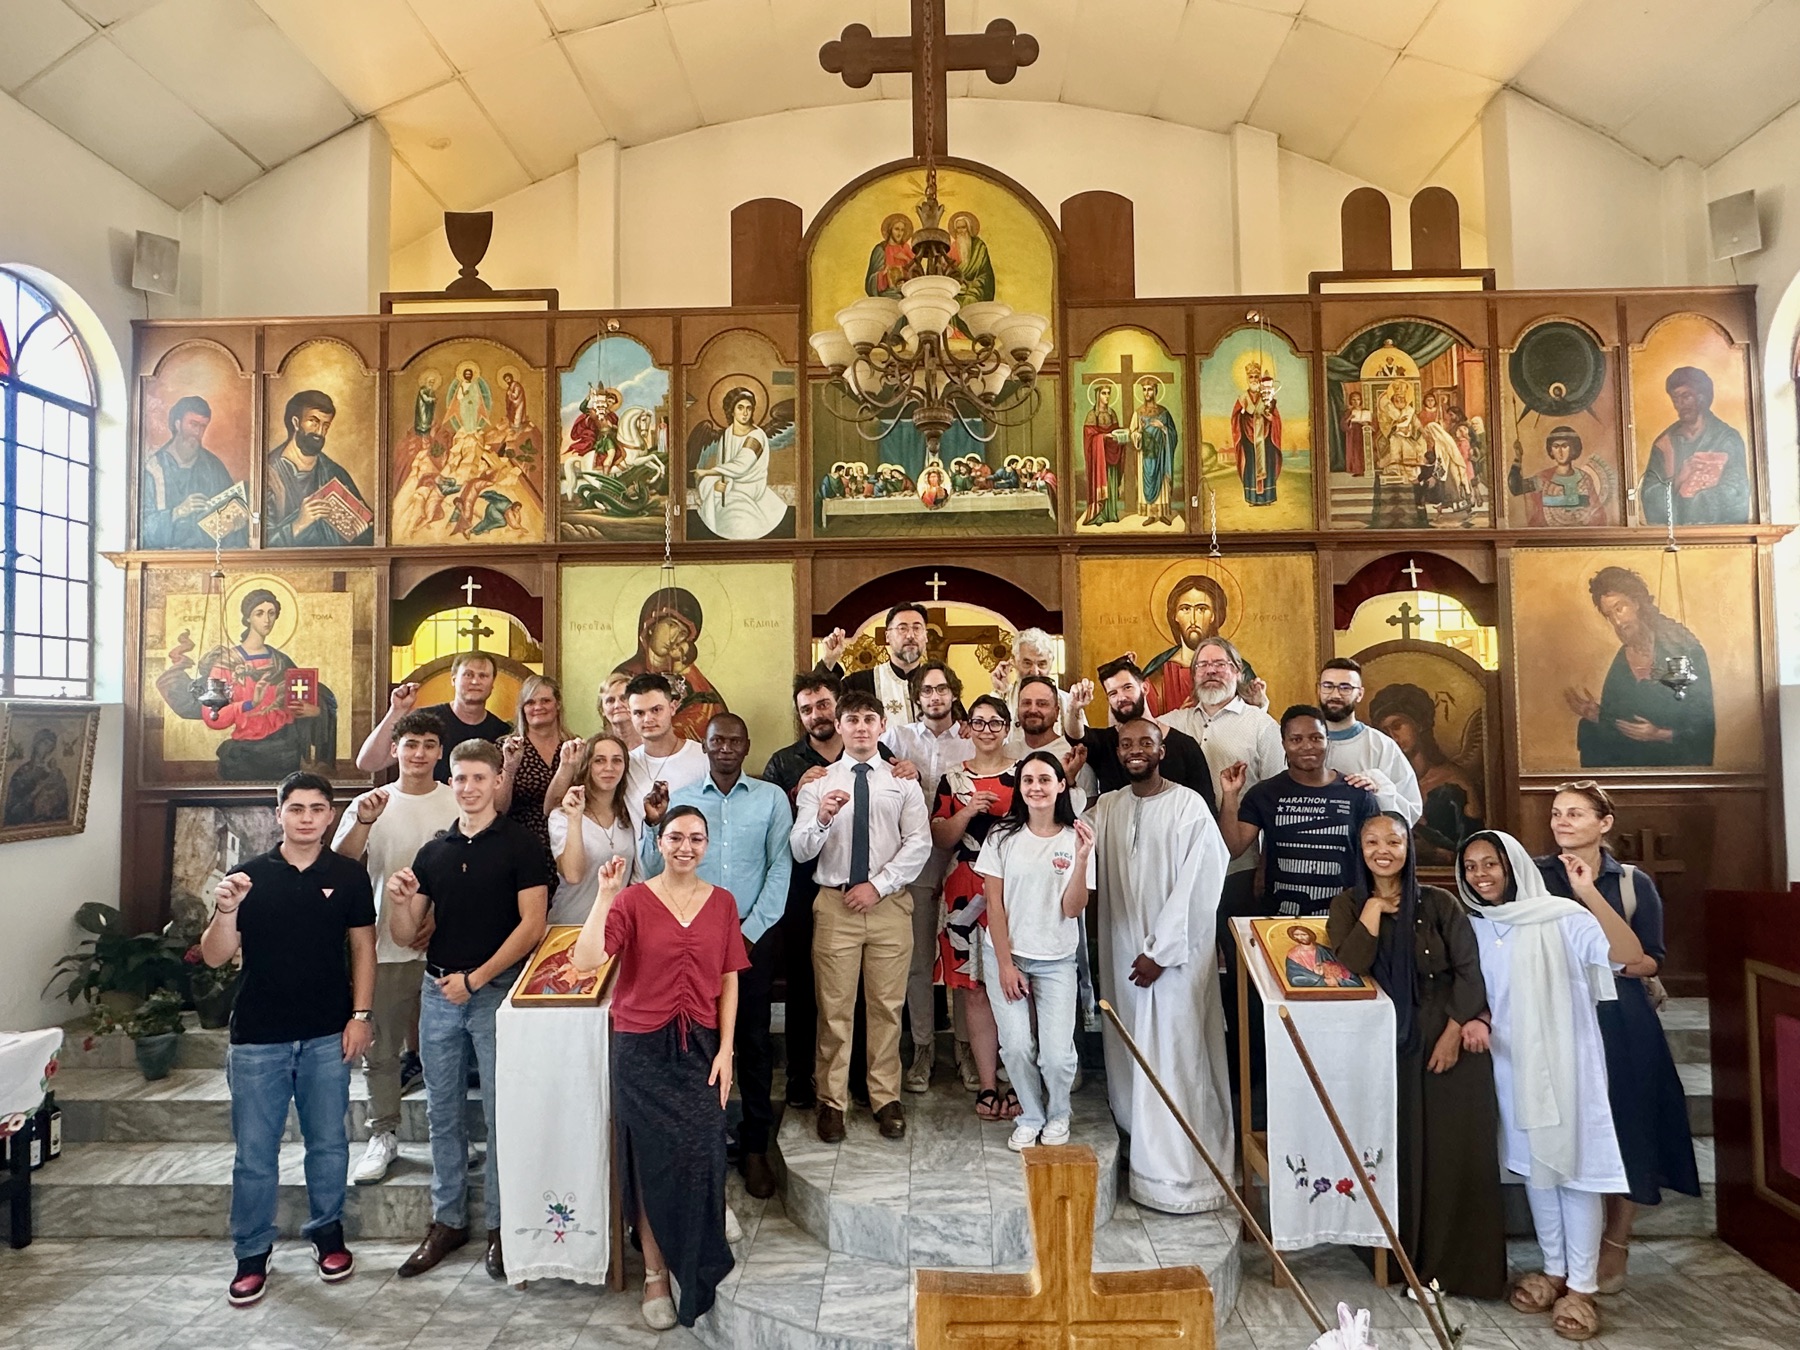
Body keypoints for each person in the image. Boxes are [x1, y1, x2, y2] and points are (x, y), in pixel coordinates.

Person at [200, 772, 375, 1307]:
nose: (306, 818)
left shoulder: (347, 875)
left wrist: (361, 1014)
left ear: (329, 816)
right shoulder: (247, 876)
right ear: (279, 814)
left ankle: (327, 1234)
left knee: (328, 1142)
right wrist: (226, 909)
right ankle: (251, 1253)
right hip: (258, 1037)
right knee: (255, 1154)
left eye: (317, 809)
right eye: (295, 808)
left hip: (326, 1033)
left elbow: (364, 949)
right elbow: (213, 954)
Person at [1458, 830, 1640, 1343]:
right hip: (1512, 1065)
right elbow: (1484, 993)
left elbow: (1630, 957)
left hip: (1566, 1064)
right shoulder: (1479, 926)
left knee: (1574, 1169)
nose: (1481, 875)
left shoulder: (1562, 916)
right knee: (1539, 1170)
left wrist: (1588, 894)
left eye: (1490, 863)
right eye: (1470, 867)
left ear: (1512, 866)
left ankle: (1582, 1287)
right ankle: (1555, 1269)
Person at [571, 812, 746, 1330]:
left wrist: (727, 1050)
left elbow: (730, 979)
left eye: (695, 838)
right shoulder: (632, 900)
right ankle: (653, 1272)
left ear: (707, 845)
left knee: (705, 1145)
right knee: (651, 1162)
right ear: (659, 842)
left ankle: (699, 1244)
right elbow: (584, 962)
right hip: (642, 1048)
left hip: (702, 1046)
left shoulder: (723, 903)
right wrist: (604, 895)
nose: (685, 847)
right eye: (676, 837)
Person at [387, 739, 550, 1283]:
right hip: (437, 993)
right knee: (444, 1112)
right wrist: (400, 900)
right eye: (460, 778)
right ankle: (449, 1218)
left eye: (480, 777)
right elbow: (408, 936)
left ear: (495, 782)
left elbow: (533, 926)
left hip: (495, 990)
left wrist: (476, 979)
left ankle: (501, 1227)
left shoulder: (521, 845)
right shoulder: (433, 852)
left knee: (502, 1113)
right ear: (449, 780)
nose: (470, 787)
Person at [1325, 813, 1506, 1299]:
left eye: (1394, 841)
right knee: (1397, 1148)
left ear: (1410, 847)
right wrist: (1374, 912)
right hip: (1383, 1041)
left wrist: (1452, 1033)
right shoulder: (1346, 905)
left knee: (1450, 1155)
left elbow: (1470, 972)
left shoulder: (1441, 902)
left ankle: (1453, 1270)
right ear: (1358, 847)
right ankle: (1401, 1260)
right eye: (1371, 841)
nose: (1383, 850)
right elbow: (1350, 966)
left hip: (1445, 1036)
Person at [1534, 781, 1699, 1294]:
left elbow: (1647, 959)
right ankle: (1564, 1251)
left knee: (1628, 1118)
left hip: (1619, 1014)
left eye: (1576, 813)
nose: (1562, 822)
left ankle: (1616, 1237)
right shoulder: (1535, 876)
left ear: (1604, 823)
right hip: (1554, 1006)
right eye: (1557, 813)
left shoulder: (1631, 883)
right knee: (1574, 1122)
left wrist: (1588, 897)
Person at [638, 714, 791, 1200]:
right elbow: (654, 865)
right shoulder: (682, 798)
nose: (725, 747)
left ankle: (755, 1147)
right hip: (691, 939)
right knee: (698, 1041)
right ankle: (704, 1141)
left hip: (752, 938)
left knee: (752, 1040)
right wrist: (651, 825)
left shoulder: (770, 798)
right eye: (716, 740)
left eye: (733, 740)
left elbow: (779, 868)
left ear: (746, 745)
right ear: (703, 747)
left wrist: (747, 934)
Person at [1089, 719, 1232, 1213]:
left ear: (1162, 749)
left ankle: (1187, 1178)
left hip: (1173, 961)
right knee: (1131, 1053)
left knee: (1177, 1054)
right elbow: (1061, 837)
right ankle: (1143, 1161)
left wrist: (1161, 952)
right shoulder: (1107, 806)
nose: (1134, 751)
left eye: (1144, 743)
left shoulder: (1189, 806)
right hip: (1122, 953)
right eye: (1125, 744)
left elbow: (1200, 885)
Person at [1218, 705, 1379, 1108]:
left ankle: (1339, 1101)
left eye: (1316, 737)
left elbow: (1376, 859)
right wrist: (1231, 796)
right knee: (1286, 1020)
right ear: (1284, 745)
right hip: (1281, 931)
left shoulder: (1357, 794)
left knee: (1335, 1022)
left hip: (1341, 929)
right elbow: (1235, 845)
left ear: (1327, 740)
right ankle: (1285, 1102)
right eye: (1297, 739)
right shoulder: (1265, 794)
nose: (1307, 746)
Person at [791, 689, 932, 1142]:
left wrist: (880, 885)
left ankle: (885, 1097)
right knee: (834, 1009)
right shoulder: (817, 782)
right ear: (841, 723)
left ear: (881, 723)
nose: (861, 727)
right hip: (835, 904)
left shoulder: (902, 781)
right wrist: (824, 818)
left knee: (887, 1008)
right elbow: (800, 848)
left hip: (889, 905)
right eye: (852, 719)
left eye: (869, 718)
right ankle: (832, 1101)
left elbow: (919, 843)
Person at [332, 713, 460, 1186]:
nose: (420, 753)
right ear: (395, 749)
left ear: (440, 752)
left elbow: (468, 871)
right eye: (411, 744)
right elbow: (342, 862)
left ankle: (446, 1138)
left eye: (429, 744)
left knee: (441, 1049)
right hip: (384, 943)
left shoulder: (455, 800)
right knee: (381, 1048)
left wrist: (436, 917)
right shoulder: (373, 802)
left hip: (445, 942)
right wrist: (363, 822)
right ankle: (382, 1134)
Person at [979, 751, 1095, 1151]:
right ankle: (1030, 1114)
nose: (1036, 787)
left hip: (1057, 958)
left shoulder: (1075, 837)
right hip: (1005, 955)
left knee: (1057, 1056)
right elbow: (994, 904)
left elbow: (1073, 908)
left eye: (1045, 779)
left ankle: (1059, 1113)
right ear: (1020, 788)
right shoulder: (1002, 837)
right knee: (1014, 1045)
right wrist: (1007, 964)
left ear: (1061, 785)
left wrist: (1080, 862)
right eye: (1028, 780)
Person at [882, 661, 972, 1093]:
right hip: (913, 860)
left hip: (963, 862)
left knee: (963, 956)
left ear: (954, 694)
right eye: (927, 691)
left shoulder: (973, 738)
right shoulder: (897, 739)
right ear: (917, 698)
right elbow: (860, 760)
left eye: (942, 690)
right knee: (918, 960)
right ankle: (921, 1048)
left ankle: (966, 1047)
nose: (935, 697)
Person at [931, 695, 1021, 1122]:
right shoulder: (952, 779)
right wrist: (967, 809)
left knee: (1021, 985)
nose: (987, 730)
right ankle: (988, 1083)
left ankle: (1021, 1081)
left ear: (1008, 727)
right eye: (979, 722)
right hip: (964, 889)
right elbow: (942, 837)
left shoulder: (1026, 774)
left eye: (996, 722)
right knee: (976, 989)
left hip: (1015, 891)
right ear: (967, 727)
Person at [154, 587, 338, 782]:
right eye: (259, 613)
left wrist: (315, 711)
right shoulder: (227, 663)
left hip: (286, 755)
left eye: (271, 613)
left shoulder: (281, 661)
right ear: (248, 617)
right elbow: (214, 717)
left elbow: (307, 698)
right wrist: (249, 705)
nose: (267, 620)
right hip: (245, 756)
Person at [1564, 566, 1714, 768]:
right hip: (1630, 769)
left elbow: (1703, 727)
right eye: (1609, 615)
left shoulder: (1682, 648)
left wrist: (1659, 734)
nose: (1617, 621)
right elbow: (1621, 719)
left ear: (1637, 602)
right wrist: (1598, 715)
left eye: (1620, 608)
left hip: (1672, 767)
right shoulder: (1622, 660)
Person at [1062, 658, 1218, 811]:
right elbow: (1076, 736)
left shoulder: (1185, 746)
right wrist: (1074, 707)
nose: (1121, 697)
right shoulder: (1105, 744)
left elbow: (1205, 807)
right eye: (1113, 693)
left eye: (1127, 687)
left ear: (1145, 688)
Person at [1366, 681, 1484, 863]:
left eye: (1397, 726)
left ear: (1419, 724)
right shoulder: (1380, 782)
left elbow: (1472, 852)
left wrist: (1432, 852)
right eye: (1384, 731)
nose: (1392, 736)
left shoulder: (1455, 785)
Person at [355, 651, 511, 784]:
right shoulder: (425, 720)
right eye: (468, 674)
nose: (475, 681)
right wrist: (396, 711)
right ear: (454, 680)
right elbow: (368, 763)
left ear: (492, 684)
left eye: (483, 676)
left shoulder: (502, 732)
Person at [1637, 365, 1751, 525]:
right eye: (1675, 399)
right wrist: (1679, 479)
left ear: (1702, 397)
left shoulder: (1727, 439)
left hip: (1719, 537)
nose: (1679, 404)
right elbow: (1649, 496)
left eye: (1686, 396)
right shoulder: (1665, 444)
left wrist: (1689, 497)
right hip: (1671, 537)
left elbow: (1737, 493)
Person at [547, 732, 640, 923]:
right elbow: (573, 875)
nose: (609, 768)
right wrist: (575, 818)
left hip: (616, 926)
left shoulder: (630, 815)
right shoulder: (562, 816)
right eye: (599, 760)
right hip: (572, 924)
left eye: (617, 761)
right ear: (586, 765)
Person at [1317, 658, 1423, 823]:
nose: (1335, 694)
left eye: (1345, 688)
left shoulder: (1382, 746)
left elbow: (1410, 811)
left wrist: (1378, 790)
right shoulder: (1300, 742)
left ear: (1360, 694)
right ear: (1319, 689)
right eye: (1328, 686)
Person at [263, 389, 374, 547]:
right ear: (296, 422)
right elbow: (259, 540)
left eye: (325, 425)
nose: (320, 432)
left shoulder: (333, 472)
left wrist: (361, 529)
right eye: (313, 422)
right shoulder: (269, 473)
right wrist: (300, 524)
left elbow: (368, 530)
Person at [613, 590, 724, 742]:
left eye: (683, 632)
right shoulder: (625, 675)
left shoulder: (688, 676)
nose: (674, 637)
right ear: (651, 625)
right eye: (671, 625)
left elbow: (715, 719)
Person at [140, 395, 249, 549]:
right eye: (193, 424)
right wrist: (178, 512)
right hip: (166, 560)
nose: (198, 432)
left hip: (211, 558)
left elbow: (232, 509)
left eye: (203, 426)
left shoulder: (213, 466)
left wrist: (236, 525)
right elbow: (143, 529)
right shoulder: (154, 468)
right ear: (178, 424)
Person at [496, 673, 576, 878]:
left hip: (567, 845)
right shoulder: (507, 748)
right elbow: (497, 809)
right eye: (530, 702)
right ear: (522, 709)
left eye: (545, 700)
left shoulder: (575, 746)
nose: (537, 707)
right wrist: (509, 768)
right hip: (519, 847)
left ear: (558, 704)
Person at [694, 387, 788, 540]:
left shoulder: (756, 436)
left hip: (750, 486)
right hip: (730, 483)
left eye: (749, 408)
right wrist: (719, 483)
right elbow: (723, 463)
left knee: (732, 513)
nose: (745, 413)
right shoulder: (727, 433)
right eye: (740, 408)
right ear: (732, 411)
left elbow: (742, 465)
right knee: (708, 486)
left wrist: (708, 472)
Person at [816, 602, 932, 724]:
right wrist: (829, 660)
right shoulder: (860, 683)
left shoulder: (941, 682)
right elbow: (819, 703)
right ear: (887, 636)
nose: (910, 635)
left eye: (917, 628)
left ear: (926, 636)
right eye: (902, 628)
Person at [623, 672, 708, 820]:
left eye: (656, 710)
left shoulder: (703, 758)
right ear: (629, 714)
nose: (648, 719)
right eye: (639, 713)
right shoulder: (626, 764)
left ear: (673, 708)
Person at [1140, 576, 1228, 715]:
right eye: (1185, 609)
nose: (1193, 619)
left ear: (1214, 615)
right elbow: (1145, 728)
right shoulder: (1157, 676)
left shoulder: (1236, 670)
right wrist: (1178, 722)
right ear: (1175, 615)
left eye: (1201, 609)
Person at [1508, 426, 1614, 527]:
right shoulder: (1543, 478)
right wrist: (1518, 458)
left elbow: (1598, 513)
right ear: (1551, 451)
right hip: (1548, 539)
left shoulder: (1584, 479)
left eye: (1564, 446)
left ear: (1573, 449)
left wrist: (1588, 520)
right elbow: (1516, 488)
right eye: (1556, 446)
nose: (1560, 452)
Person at [1230, 361, 1282, 506]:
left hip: (1265, 437)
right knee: (1251, 466)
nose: (1253, 380)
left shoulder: (1267, 396)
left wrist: (1270, 418)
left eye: (1256, 377)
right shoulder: (1242, 398)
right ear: (1247, 379)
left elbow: (1276, 418)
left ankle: (1268, 497)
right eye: (1251, 377)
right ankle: (1253, 498)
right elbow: (1235, 417)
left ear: (1260, 379)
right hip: (1248, 437)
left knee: (1268, 464)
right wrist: (1241, 413)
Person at [1130, 376, 1179, 526]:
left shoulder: (1164, 413)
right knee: (1147, 481)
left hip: (1161, 455)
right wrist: (1138, 435)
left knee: (1163, 482)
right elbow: (1133, 432)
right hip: (1145, 454)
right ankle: (1151, 515)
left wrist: (1163, 428)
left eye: (1149, 389)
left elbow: (1173, 434)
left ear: (1155, 391)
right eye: (1144, 390)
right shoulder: (1138, 413)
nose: (1147, 392)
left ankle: (1163, 514)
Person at [1080, 379, 1125, 526]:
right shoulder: (1092, 415)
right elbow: (1089, 436)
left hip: (1112, 455)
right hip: (1099, 458)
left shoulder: (1112, 414)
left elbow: (1116, 431)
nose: (1107, 396)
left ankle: (1111, 513)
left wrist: (1120, 435)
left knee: (1111, 482)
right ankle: (1099, 515)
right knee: (1101, 481)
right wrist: (1103, 437)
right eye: (1104, 393)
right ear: (1098, 395)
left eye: (1108, 393)